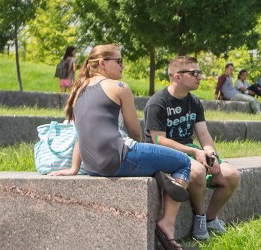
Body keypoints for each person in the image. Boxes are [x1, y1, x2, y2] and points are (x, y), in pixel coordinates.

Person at [50, 44, 204, 250]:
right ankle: (167, 223)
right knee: (185, 162)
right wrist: (144, 153)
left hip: (94, 166)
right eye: (119, 61)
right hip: (120, 157)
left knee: (159, 158)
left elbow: (81, 134)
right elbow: (135, 132)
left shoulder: (78, 89)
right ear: (103, 63)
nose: (123, 65)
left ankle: (159, 172)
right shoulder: (119, 87)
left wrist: (74, 169)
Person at [146, 55, 244, 242]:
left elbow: (204, 135)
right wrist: (195, 152)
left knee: (231, 175)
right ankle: (199, 216)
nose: (200, 77)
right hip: (163, 153)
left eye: (199, 72)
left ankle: (210, 219)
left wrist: (211, 154)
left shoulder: (194, 102)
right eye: (194, 73)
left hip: (189, 149)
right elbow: (159, 140)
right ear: (177, 77)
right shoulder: (158, 103)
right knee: (197, 171)